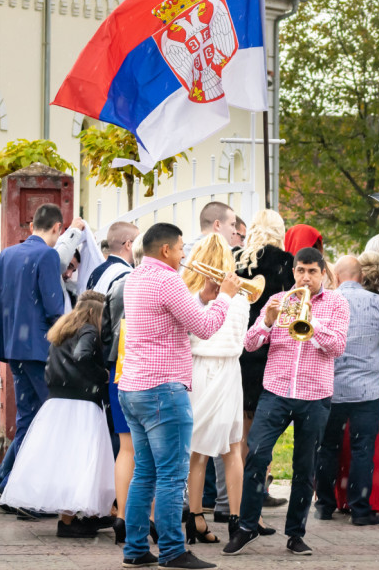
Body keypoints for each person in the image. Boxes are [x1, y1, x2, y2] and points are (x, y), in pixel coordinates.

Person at [117, 223, 241, 570]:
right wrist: (227, 296)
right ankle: (173, 550)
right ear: (166, 250)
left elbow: (174, 318)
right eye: (182, 248)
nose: (186, 254)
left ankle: (136, 548)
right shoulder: (168, 279)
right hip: (163, 389)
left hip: (134, 387)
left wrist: (204, 296)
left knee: (145, 473)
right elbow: (203, 328)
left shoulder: (137, 276)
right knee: (172, 475)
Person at [223, 247, 350, 558]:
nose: (305, 278)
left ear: (323, 273)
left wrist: (311, 323)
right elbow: (250, 343)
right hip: (276, 392)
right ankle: (247, 525)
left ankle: (295, 534)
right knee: (256, 455)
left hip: (315, 395)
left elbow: (337, 347)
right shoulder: (277, 300)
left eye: (312, 271)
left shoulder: (336, 303)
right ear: (293, 272)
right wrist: (266, 321)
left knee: (304, 468)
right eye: (300, 271)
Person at [0, 291, 115, 539]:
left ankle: (72, 518)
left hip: (58, 402)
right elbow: (83, 356)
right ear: (95, 312)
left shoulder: (63, 330)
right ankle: (71, 521)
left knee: (65, 461)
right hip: (82, 403)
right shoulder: (89, 331)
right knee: (82, 460)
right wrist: (102, 375)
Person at [0, 203, 65, 514]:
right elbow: (55, 308)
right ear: (56, 228)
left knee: (29, 419)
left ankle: (1, 483)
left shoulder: (7, 254)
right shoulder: (47, 255)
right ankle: (29, 496)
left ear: (31, 226)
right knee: (50, 420)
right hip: (39, 349)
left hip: (12, 348)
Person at [314, 255, 379, 526]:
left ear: (336, 277)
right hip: (368, 390)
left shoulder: (325, 301)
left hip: (332, 388)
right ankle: (360, 509)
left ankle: (324, 505)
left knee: (328, 447)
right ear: (361, 277)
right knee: (363, 448)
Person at [182, 234, 250, 544]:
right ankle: (236, 520)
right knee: (232, 448)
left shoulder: (187, 292)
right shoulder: (239, 297)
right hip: (228, 372)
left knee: (197, 450)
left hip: (197, 370)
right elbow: (241, 340)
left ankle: (195, 516)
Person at [234, 209, 295, 510]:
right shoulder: (285, 261)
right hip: (270, 349)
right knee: (265, 429)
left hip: (242, 349)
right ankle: (260, 488)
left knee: (245, 429)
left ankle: (242, 492)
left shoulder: (239, 260)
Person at [101, 234, 145, 544]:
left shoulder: (119, 285)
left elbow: (105, 330)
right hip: (146, 373)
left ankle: (123, 516)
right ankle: (150, 518)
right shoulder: (157, 285)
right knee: (153, 452)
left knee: (125, 448)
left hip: (118, 371)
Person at [88, 221, 139, 293]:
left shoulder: (96, 271)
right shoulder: (127, 276)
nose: (140, 246)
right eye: (138, 242)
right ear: (128, 245)